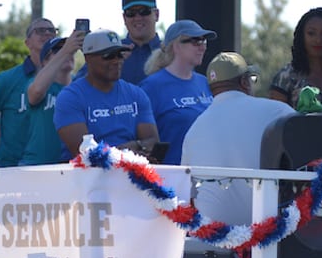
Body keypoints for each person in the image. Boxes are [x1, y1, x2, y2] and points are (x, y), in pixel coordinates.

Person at [180, 52, 296, 226]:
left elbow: (187, 192)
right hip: (268, 232)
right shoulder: (277, 111)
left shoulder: (194, 130)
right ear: (244, 82)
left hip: (211, 237)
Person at [52, 29, 160, 162]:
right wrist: (127, 151)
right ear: (88, 58)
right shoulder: (70, 97)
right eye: (109, 55)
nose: (116, 61)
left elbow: (153, 142)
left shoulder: (136, 94)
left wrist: (134, 146)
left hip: (133, 176)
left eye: (119, 55)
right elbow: (86, 154)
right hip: (87, 179)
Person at [140, 19, 217, 165]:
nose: (202, 47)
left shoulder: (205, 82)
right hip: (171, 175)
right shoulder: (152, 87)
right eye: (195, 41)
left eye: (204, 42)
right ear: (175, 45)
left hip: (205, 175)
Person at [0, 18, 57, 167]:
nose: (47, 34)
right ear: (27, 43)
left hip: (57, 167)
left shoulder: (66, 79)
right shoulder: (7, 79)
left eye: (52, 31)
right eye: (40, 30)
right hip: (14, 168)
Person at [21, 31, 85, 165]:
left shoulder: (80, 87)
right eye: (57, 50)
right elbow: (36, 93)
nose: (68, 53)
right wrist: (66, 50)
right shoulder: (36, 83)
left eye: (69, 49)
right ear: (45, 61)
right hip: (38, 167)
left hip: (72, 166)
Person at [269, 7, 322, 108]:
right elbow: (276, 119)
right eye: (311, 33)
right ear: (301, 36)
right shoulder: (286, 77)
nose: (318, 40)